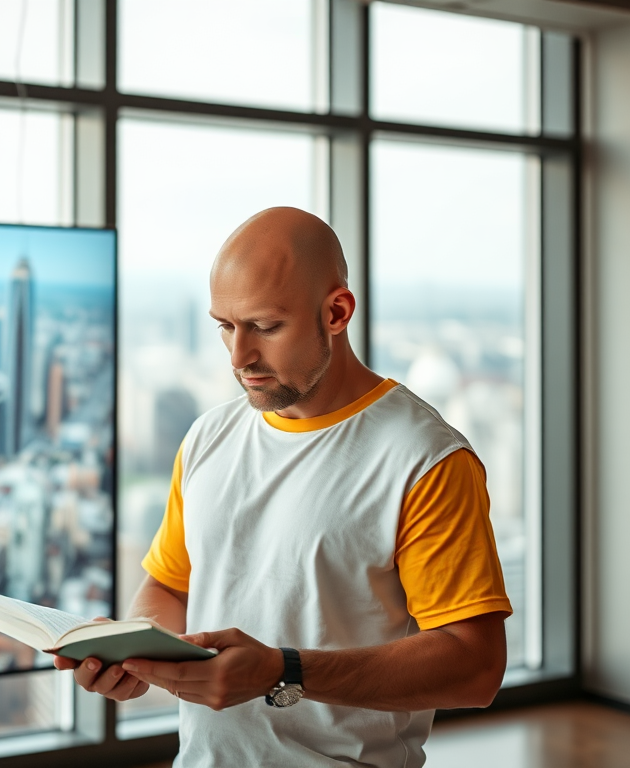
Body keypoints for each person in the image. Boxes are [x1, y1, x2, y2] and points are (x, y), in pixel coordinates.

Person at [54, 207, 513, 767]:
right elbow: (170, 589)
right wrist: (135, 653)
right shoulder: (209, 437)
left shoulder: (425, 458)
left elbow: (475, 668)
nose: (240, 356)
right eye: (225, 326)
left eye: (265, 327)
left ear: (337, 312)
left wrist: (284, 670)